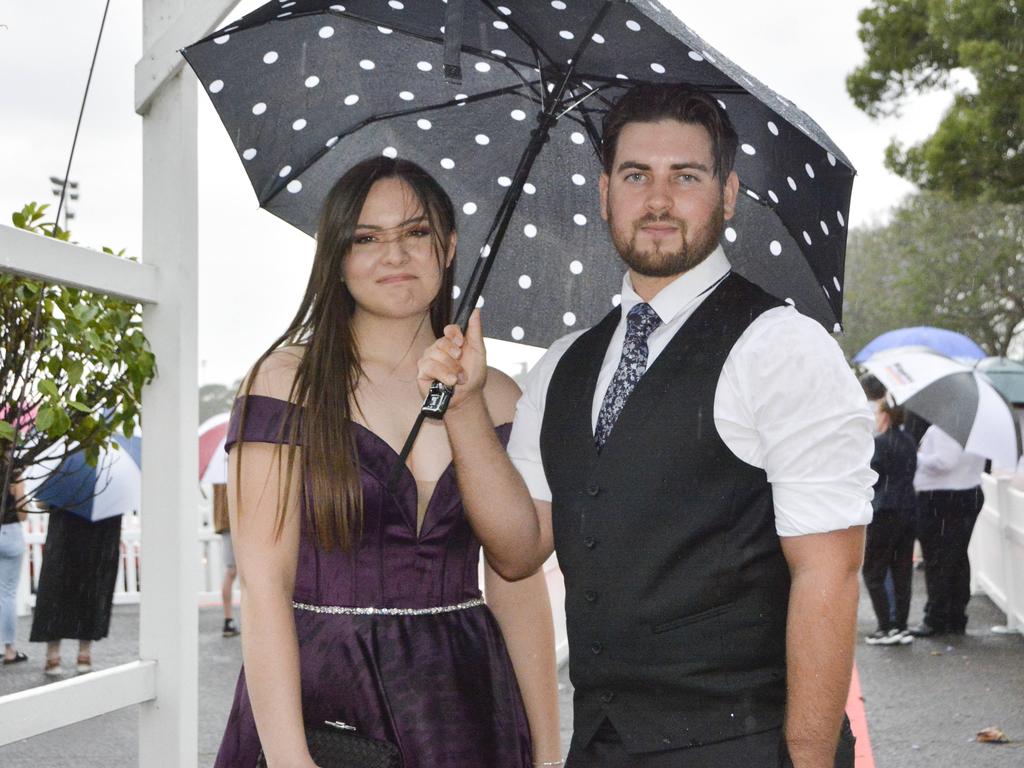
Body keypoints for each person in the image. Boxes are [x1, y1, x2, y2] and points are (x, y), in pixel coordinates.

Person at [419, 83, 875, 768]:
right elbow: (518, 551)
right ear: (605, 192)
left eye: (685, 176)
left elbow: (830, 571)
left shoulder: (783, 346)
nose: (658, 201)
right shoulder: (565, 364)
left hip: (744, 747)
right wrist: (462, 413)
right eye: (637, 176)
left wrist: (807, 761)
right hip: (602, 745)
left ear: (726, 195)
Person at [214, 157, 561, 768]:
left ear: (449, 245)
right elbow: (264, 587)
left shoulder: (502, 396)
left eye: (416, 232)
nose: (393, 255)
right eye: (366, 239)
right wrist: (293, 761)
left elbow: (518, 583)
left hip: (467, 705)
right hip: (325, 701)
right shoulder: (284, 382)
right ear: (336, 258)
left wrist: (547, 752)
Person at [29, 503, 123, 676]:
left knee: (56, 594)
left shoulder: (64, 476)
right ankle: (84, 655)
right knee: (91, 593)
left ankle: (53, 656)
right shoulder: (109, 480)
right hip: (98, 541)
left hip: (64, 539)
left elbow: (41, 503)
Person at [910, 424, 985, 637]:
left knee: (938, 559)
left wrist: (916, 458)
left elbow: (945, 461)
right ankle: (955, 614)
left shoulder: (945, 429)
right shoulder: (976, 428)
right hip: (965, 493)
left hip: (942, 498)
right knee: (956, 557)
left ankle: (936, 617)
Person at [859, 376, 917, 646]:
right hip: (908, 510)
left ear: (886, 415)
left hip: (884, 511)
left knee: (873, 571)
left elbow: (871, 475)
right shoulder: (909, 442)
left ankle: (885, 626)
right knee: (902, 571)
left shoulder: (880, 444)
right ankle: (901, 626)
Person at [1, 458, 28, 666]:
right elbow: (23, 513)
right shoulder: (13, 472)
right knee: (7, 593)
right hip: (9, 531)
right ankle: (9, 649)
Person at [212, 481, 240, 637]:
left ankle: (228, 619)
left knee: (231, 571)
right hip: (235, 521)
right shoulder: (225, 471)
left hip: (226, 522)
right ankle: (228, 619)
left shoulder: (216, 471)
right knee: (233, 571)